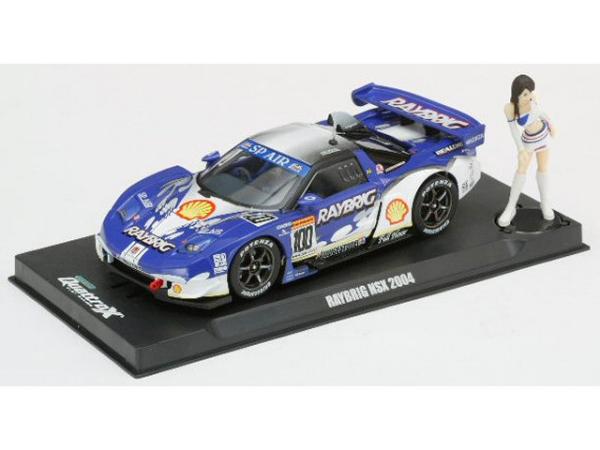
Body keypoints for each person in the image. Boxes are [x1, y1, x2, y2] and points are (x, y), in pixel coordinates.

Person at [497, 74, 556, 227]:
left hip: (543, 136)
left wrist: (551, 125)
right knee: (521, 170)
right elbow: (514, 130)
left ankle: (545, 203)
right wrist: (521, 149)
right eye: (524, 94)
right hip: (528, 140)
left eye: (530, 92)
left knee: (543, 168)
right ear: (516, 93)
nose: (528, 96)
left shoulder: (533, 99)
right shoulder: (510, 108)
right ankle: (511, 207)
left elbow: (541, 113)